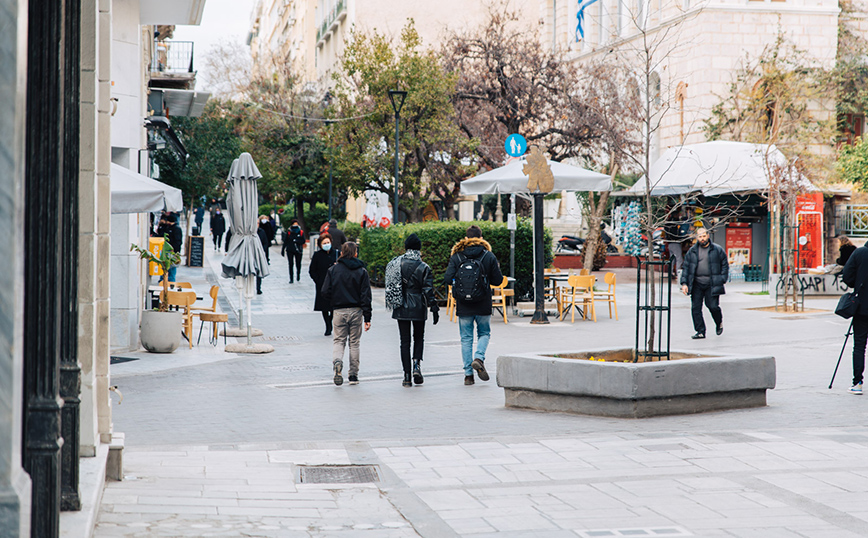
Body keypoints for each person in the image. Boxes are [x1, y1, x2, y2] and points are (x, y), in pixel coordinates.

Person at [443, 225, 503, 385]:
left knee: (466, 338)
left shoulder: (457, 256)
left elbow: (447, 279)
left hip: (464, 304)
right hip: (483, 302)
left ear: (466, 239)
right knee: (484, 333)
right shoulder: (488, 256)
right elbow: (498, 281)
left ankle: (468, 376)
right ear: (481, 239)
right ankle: (479, 357)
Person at [385, 234, 440, 387]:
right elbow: (428, 290)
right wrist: (434, 307)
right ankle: (417, 365)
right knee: (419, 338)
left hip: (401, 305)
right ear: (419, 248)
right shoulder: (424, 267)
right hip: (418, 306)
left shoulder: (395, 263)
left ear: (406, 247)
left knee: (404, 341)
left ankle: (407, 375)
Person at [321, 242, 372, 386]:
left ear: (342, 253)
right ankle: (353, 375)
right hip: (356, 310)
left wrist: (335, 300)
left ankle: (337, 362)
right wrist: (367, 317)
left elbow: (324, 291)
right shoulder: (362, 271)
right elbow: (366, 296)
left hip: (338, 310)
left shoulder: (333, 270)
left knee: (339, 340)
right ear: (355, 253)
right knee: (354, 343)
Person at [680, 227, 729, 339]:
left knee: (712, 306)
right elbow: (686, 268)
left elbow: (725, 265)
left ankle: (719, 322)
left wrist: (722, 279)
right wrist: (684, 283)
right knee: (695, 308)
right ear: (697, 238)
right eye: (700, 236)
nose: (702, 239)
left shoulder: (717, 250)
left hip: (712, 283)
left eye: (704, 236)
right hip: (696, 283)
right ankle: (700, 331)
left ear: (708, 235)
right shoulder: (692, 251)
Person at [843, 244, 868, 394]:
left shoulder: (860, 253)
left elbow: (847, 275)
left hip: (862, 307)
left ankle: (857, 382)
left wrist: (857, 283)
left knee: (859, 345)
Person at [309, 234, 338, 335]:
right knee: (324, 306)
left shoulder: (336, 253)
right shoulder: (317, 255)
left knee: (334, 306)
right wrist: (318, 280)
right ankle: (328, 326)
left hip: (335, 284)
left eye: (328, 242)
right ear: (320, 245)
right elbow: (312, 270)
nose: (327, 245)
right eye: (324, 243)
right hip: (322, 284)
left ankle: (331, 321)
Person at [281, 219, 305, 283]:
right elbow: (286, 241)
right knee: (290, 264)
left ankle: (298, 275)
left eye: (296, 224)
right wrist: (283, 249)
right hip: (290, 249)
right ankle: (291, 278)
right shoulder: (289, 232)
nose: (295, 225)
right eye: (294, 224)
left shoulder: (301, 232)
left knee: (298, 263)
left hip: (298, 250)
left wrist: (296, 241)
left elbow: (303, 241)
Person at [160, 215, 183, 282]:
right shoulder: (168, 227)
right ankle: (163, 282)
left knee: (171, 269)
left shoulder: (176, 229)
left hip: (172, 252)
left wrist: (175, 252)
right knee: (165, 268)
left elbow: (178, 242)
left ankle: (169, 283)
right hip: (167, 252)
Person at [256, 220, 270, 295]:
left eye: (258, 223)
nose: (257, 225)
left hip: (260, 254)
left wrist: (262, 250)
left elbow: (265, 242)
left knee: (259, 272)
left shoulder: (262, 232)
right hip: (251, 254)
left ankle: (258, 288)